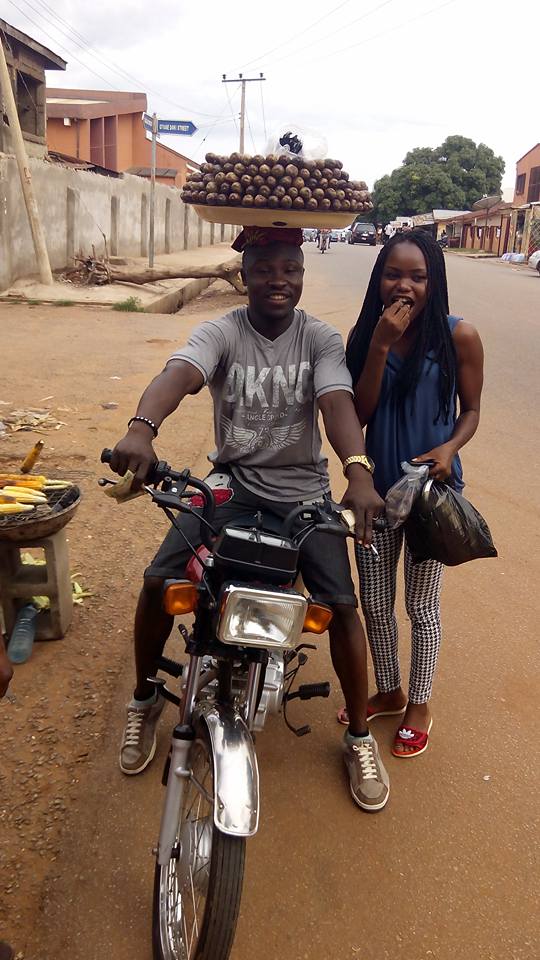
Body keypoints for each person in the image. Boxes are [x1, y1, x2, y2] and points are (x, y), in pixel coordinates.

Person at [109, 226, 390, 812]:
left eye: (290, 269)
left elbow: (336, 403)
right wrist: (142, 428)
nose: (277, 281)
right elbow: (180, 374)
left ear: (303, 274)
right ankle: (144, 699)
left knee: (341, 607)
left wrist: (358, 473)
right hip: (232, 485)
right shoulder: (222, 332)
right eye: (264, 269)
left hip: (304, 493)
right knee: (160, 581)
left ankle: (360, 737)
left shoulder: (319, 338)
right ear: (245, 275)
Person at [338, 230, 484, 757]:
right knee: (376, 605)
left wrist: (449, 448)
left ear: (434, 281)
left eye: (418, 277)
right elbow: (359, 413)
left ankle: (419, 703)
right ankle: (389, 689)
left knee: (421, 607)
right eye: (394, 274)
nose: (404, 286)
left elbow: (471, 411)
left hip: (430, 496)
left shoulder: (458, 336)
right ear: (378, 279)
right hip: (375, 495)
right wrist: (379, 344)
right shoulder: (365, 336)